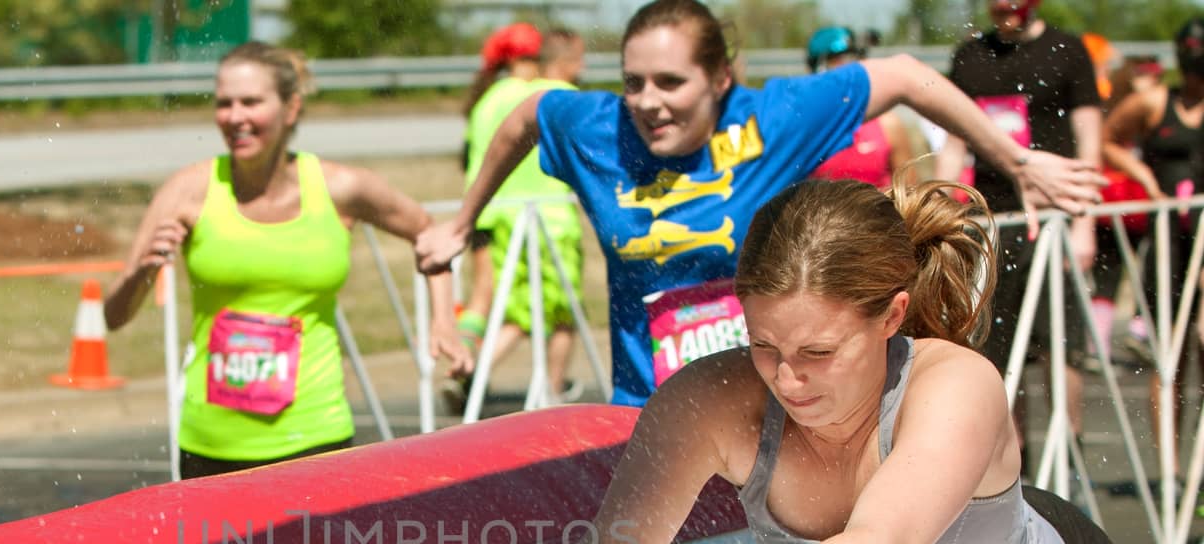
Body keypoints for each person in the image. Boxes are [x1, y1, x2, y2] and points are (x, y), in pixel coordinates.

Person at [498, 177, 1152, 544]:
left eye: (818, 353)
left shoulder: (955, 384)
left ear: (892, 317)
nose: (786, 380)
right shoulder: (711, 404)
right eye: (763, 345)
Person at [417, 0, 1104, 409]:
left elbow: (905, 76)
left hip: (776, 404)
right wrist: (461, 219)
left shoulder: (770, 120)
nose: (650, 102)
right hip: (649, 410)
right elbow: (524, 117)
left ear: (719, 78)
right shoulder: (598, 127)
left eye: (670, 82)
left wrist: (1014, 160)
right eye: (634, 82)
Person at [104, 43, 469, 479]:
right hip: (211, 444)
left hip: (316, 437)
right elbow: (113, 316)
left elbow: (432, 236)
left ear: (291, 108)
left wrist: (444, 321)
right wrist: (144, 270)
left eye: (251, 102)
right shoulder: (189, 190)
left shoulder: (340, 188)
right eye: (224, 104)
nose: (235, 117)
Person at [934, 0, 1102, 459]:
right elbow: (953, 146)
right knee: (998, 346)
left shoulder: (1066, 50)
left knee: (1060, 343)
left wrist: (1085, 222)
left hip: (1055, 216)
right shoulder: (971, 56)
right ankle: (1018, 460)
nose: (1004, 16)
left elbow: (1090, 141)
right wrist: (945, 217)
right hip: (995, 219)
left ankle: (1069, 452)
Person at [448, 26, 591, 411]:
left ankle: (464, 364)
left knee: (486, 300)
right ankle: (545, 390)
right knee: (556, 312)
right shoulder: (547, 97)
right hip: (542, 216)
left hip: (488, 214)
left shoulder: (487, 99)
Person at [1102, 18, 1204, 447]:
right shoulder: (1153, 102)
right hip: (1167, 244)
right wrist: (1143, 175)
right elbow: (1107, 138)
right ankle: (1170, 473)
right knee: (1169, 357)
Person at [456, 23, 547, 356]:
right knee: (528, 305)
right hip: (514, 211)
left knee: (481, 294)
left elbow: (466, 157)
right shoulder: (528, 95)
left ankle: (462, 354)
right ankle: (475, 370)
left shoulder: (484, 100)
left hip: (481, 211)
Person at [805, 27, 918, 189]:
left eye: (855, 59)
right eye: (839, 60)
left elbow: (911, 194)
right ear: (819, 67)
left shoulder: (888, 125)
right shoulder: (806, 128)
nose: (850, 69)